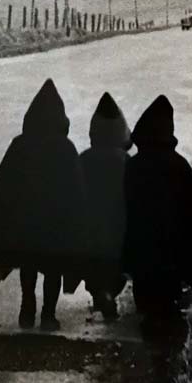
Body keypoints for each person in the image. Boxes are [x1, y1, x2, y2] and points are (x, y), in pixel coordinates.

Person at [0, 78, 87, 332]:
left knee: (27, 265)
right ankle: (48, 315)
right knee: (53, 270)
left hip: (26, 224)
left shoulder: (19, 145)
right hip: (55, 225)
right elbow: (77, 190)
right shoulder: (65, 147)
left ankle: (27, 308)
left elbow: (3, 186)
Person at [122, 95, 192, 332]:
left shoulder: (133, 167)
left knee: (146, 299)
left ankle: (151, 326)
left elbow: (121, 207)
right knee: (168, 301)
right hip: (172, 254)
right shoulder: (179, 166)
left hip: (142, 251)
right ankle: (166, 336)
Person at [74, 92, 131, 321]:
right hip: (118, 227)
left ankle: (100, 294)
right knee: (117, 269)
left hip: (91, 229)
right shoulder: (125, 160)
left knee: (93, 269)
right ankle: (109, 294)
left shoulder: (83, 159)